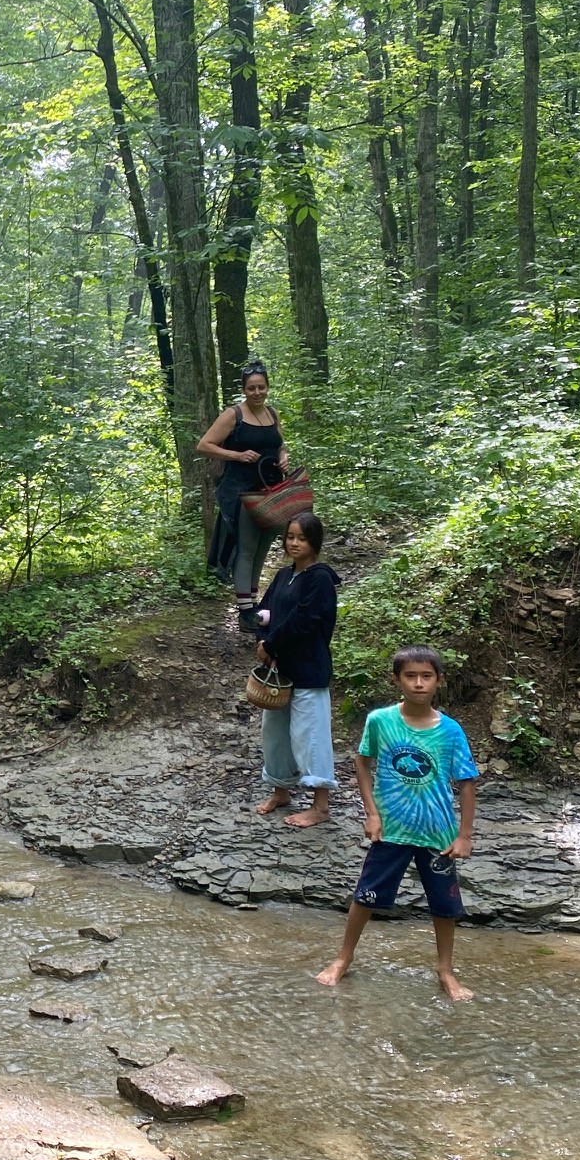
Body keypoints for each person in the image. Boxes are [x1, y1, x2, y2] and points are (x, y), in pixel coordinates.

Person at [315, 645, 479, 1002]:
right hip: (391, 829)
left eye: (426, 676)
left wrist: (465, 836)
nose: (419, 683)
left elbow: (467, 784)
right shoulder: (380, 721)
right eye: (410, 676)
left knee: (445, 905)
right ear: (396, 680)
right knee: (366, 895)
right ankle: (343, 957)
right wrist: (372, 813)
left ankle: (446, 970)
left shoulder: (451, 731)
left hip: (437, 833)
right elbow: (363, 763)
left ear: (439, 681)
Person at [252, 510, 340, 828]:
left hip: (308, 669)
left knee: (309, 736)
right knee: (274, 734)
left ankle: (320, 805)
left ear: (314, 541)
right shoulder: (282, 576)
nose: (294, 543)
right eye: (290, 537)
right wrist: (262, 640)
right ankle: (281, 791)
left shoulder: (320, 579)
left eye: (302, 538)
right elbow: (264, 611)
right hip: (280, 671)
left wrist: (271, 644)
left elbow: (304, 621)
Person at [196, 361, 292, 615]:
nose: (257, 392)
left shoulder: (272, 413)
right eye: (251, 388)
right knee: (247, 549)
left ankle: (253, 602)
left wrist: (284, 456)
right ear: (244, 390)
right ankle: (245, 610)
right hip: (242, 491)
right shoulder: (233, 415)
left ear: (267, 387)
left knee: (262, 548)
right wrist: (236, 455)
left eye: (261, 387)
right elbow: (204, 445)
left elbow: (280, 444)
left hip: (271, 489)